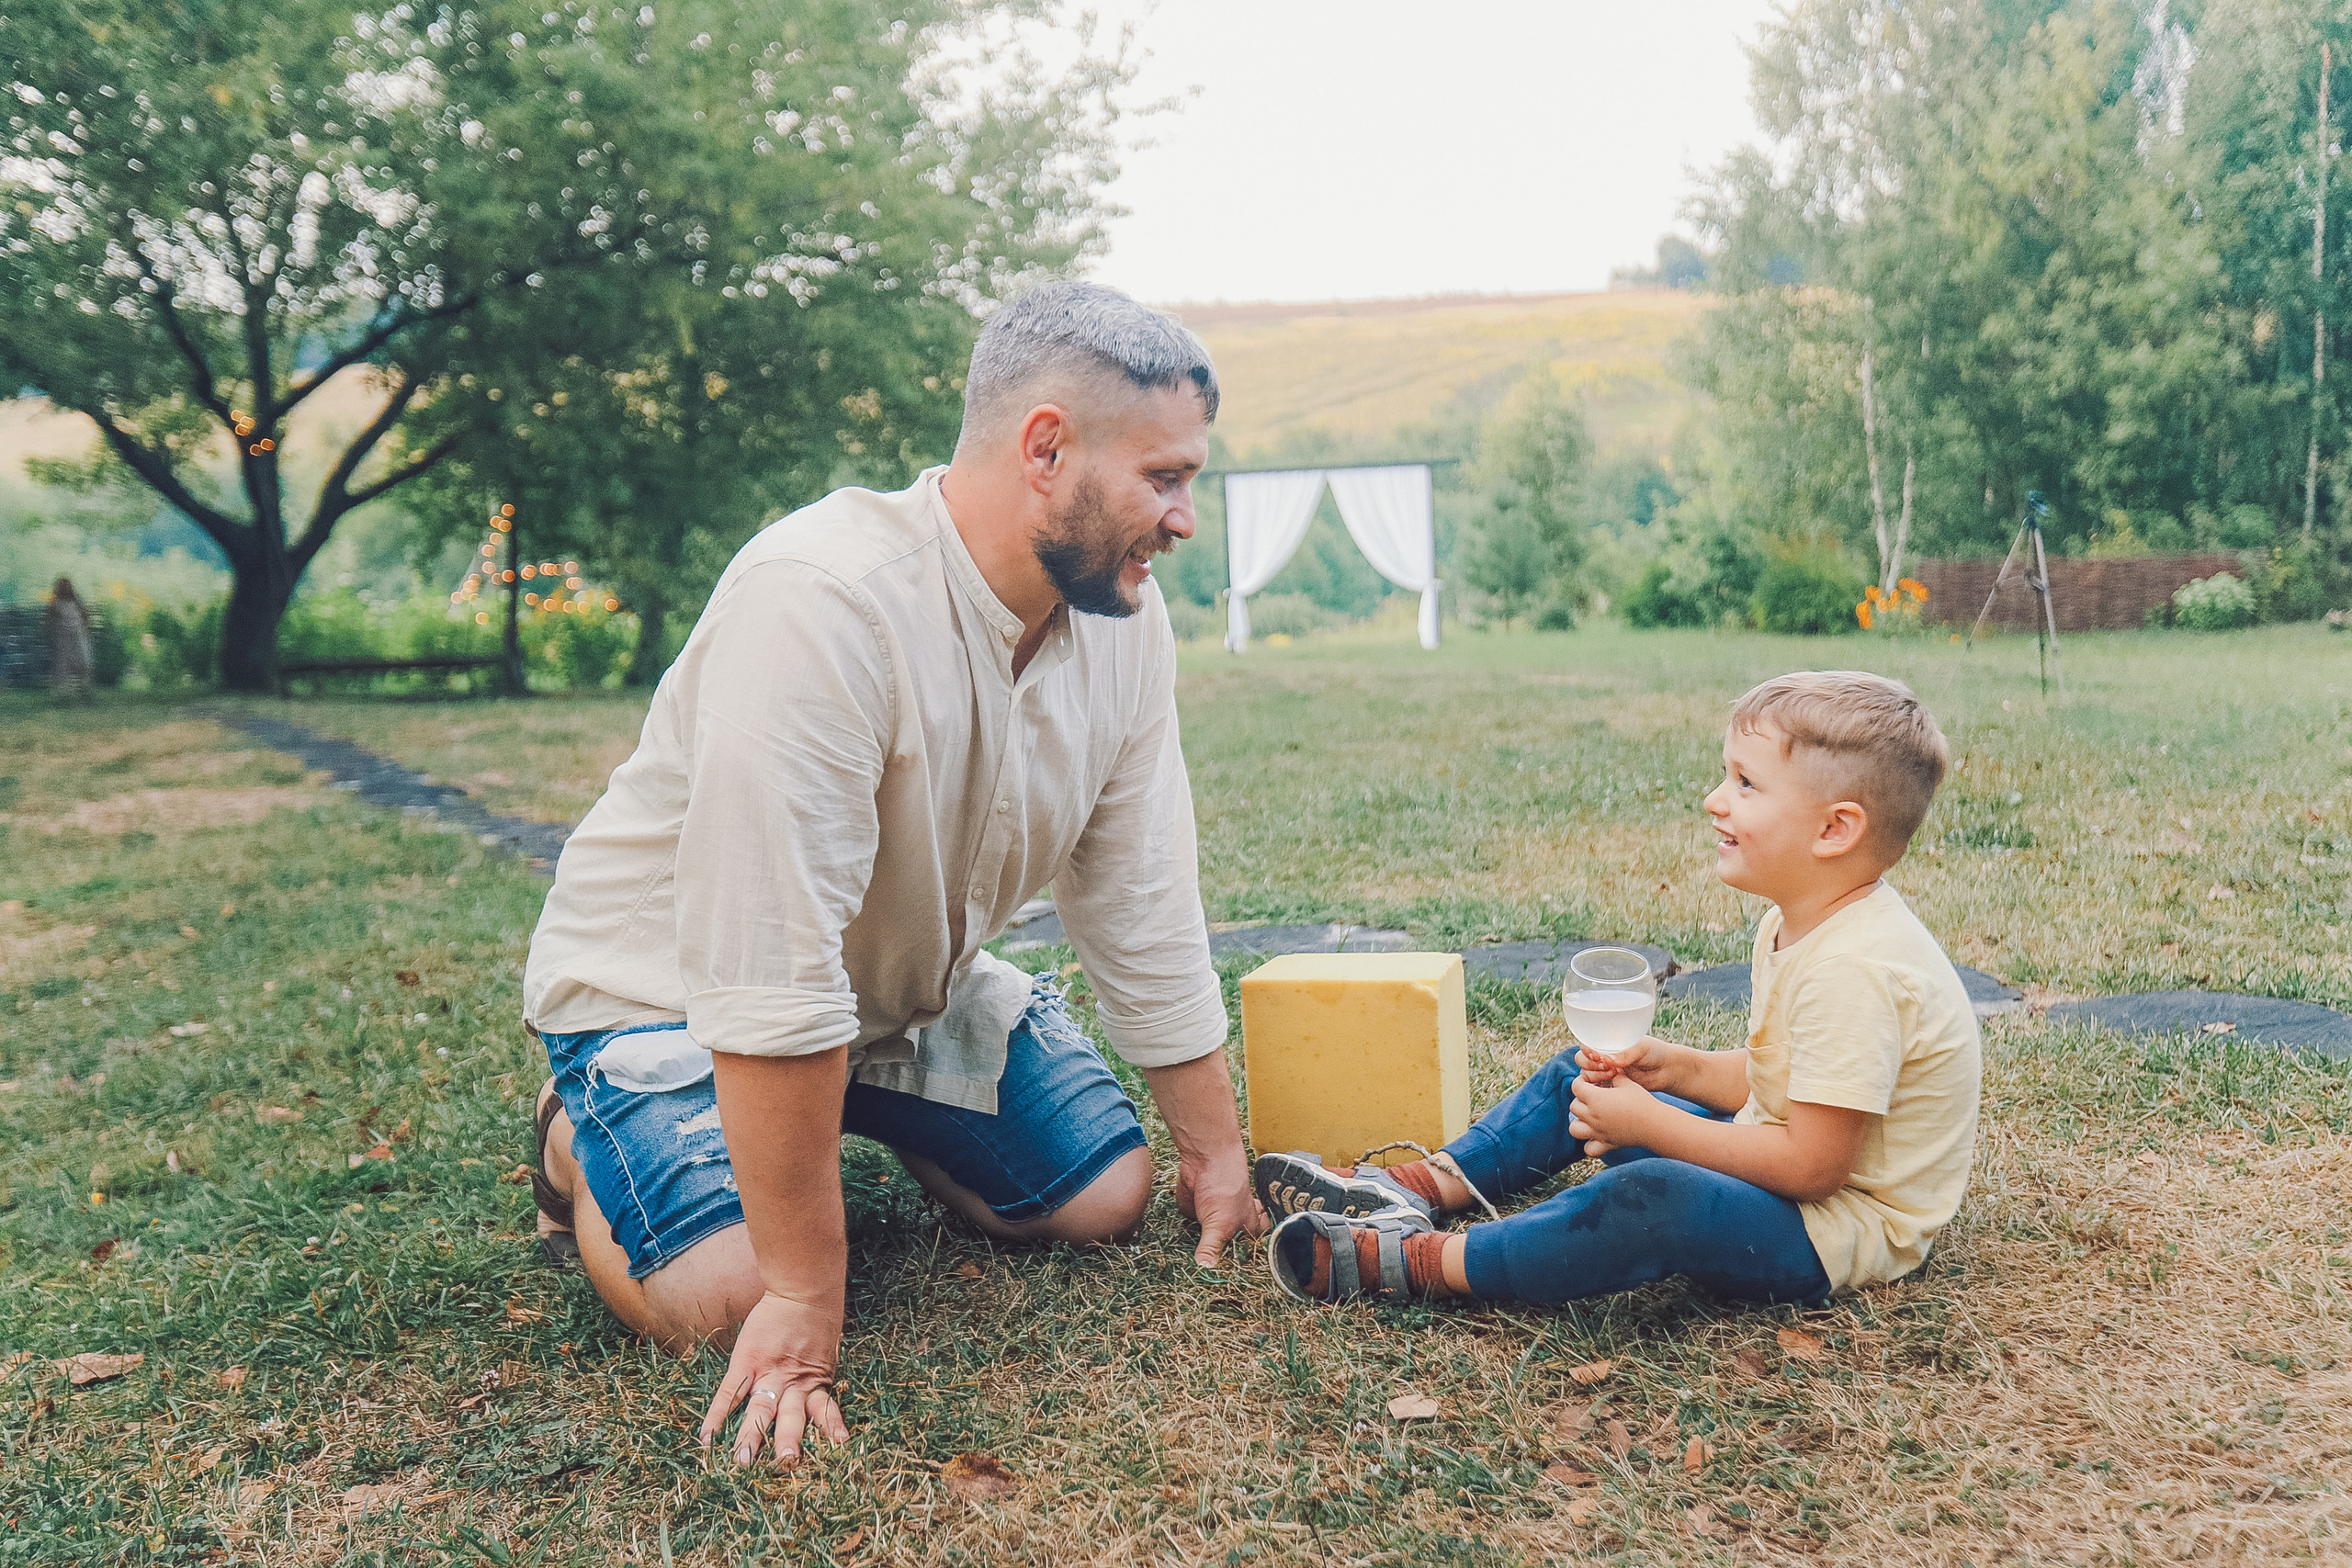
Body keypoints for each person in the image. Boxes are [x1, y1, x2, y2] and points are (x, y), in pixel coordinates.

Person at [519, 281, 1265, 1468]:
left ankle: (835, 1116)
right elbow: (770, 967)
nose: (1182, 519)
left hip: (894, 999)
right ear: (1046, 446)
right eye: (1163, 478)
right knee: (734, 1288)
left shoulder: (1126, 618)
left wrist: (1216, 1155)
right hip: (672, 992)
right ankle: (580, 1126)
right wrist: (807, 1301)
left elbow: (1140, 896)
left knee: (1101, 1196)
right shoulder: (820, 603)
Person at [1257, 671, 1981, 1310]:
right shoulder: (1797, 923)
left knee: (1653, 1198)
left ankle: (1419, 1262)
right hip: (1778, 1172)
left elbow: (1814, 1166)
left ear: (1835, 829)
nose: (1713, 800)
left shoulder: (1858, 968)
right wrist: (1676, 1070)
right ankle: (1419, 1186)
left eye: (1745, 784)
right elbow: (1783, 1079)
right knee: (1587, 1067)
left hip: (1830, 1230)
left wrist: (1649, 1124)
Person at [46, 577, 95, 703]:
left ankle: (84, 692)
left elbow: (85, 614)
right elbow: (50, 617)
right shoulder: (55, 600)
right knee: (63, 665)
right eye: (63, 586)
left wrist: (84, 626)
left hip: (78, 634)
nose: (66, 588)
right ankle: (63, 694)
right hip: (63, 636)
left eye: (67, 585)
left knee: (84, 662)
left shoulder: (76, 599)